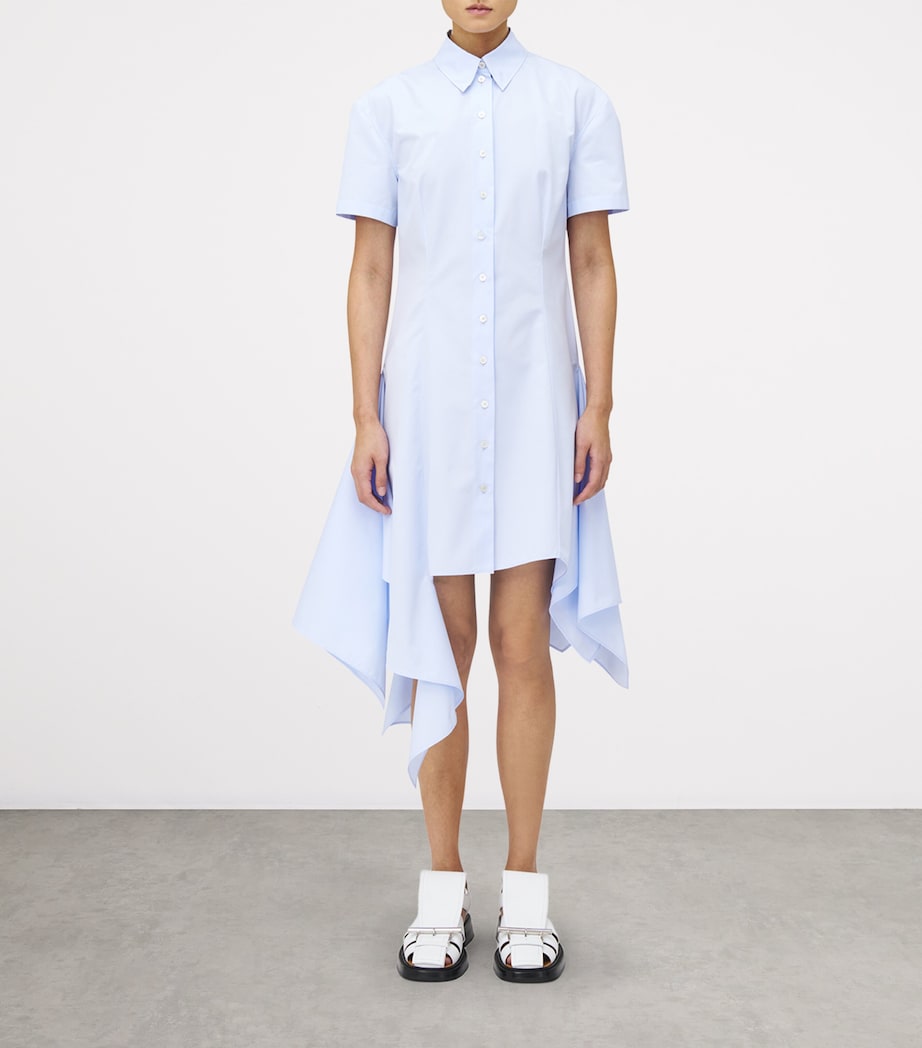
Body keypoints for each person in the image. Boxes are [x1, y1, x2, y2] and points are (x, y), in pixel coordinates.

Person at [292, 0, 630, 983]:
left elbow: (592, 258)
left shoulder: (575, 102)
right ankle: (441, 889)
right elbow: (371, 268)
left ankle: (525, 894)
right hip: (429, 411)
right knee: (439, 648)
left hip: (534, 406)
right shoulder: (386, 109)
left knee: (521, 644)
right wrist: (366, 414)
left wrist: (598, 404)